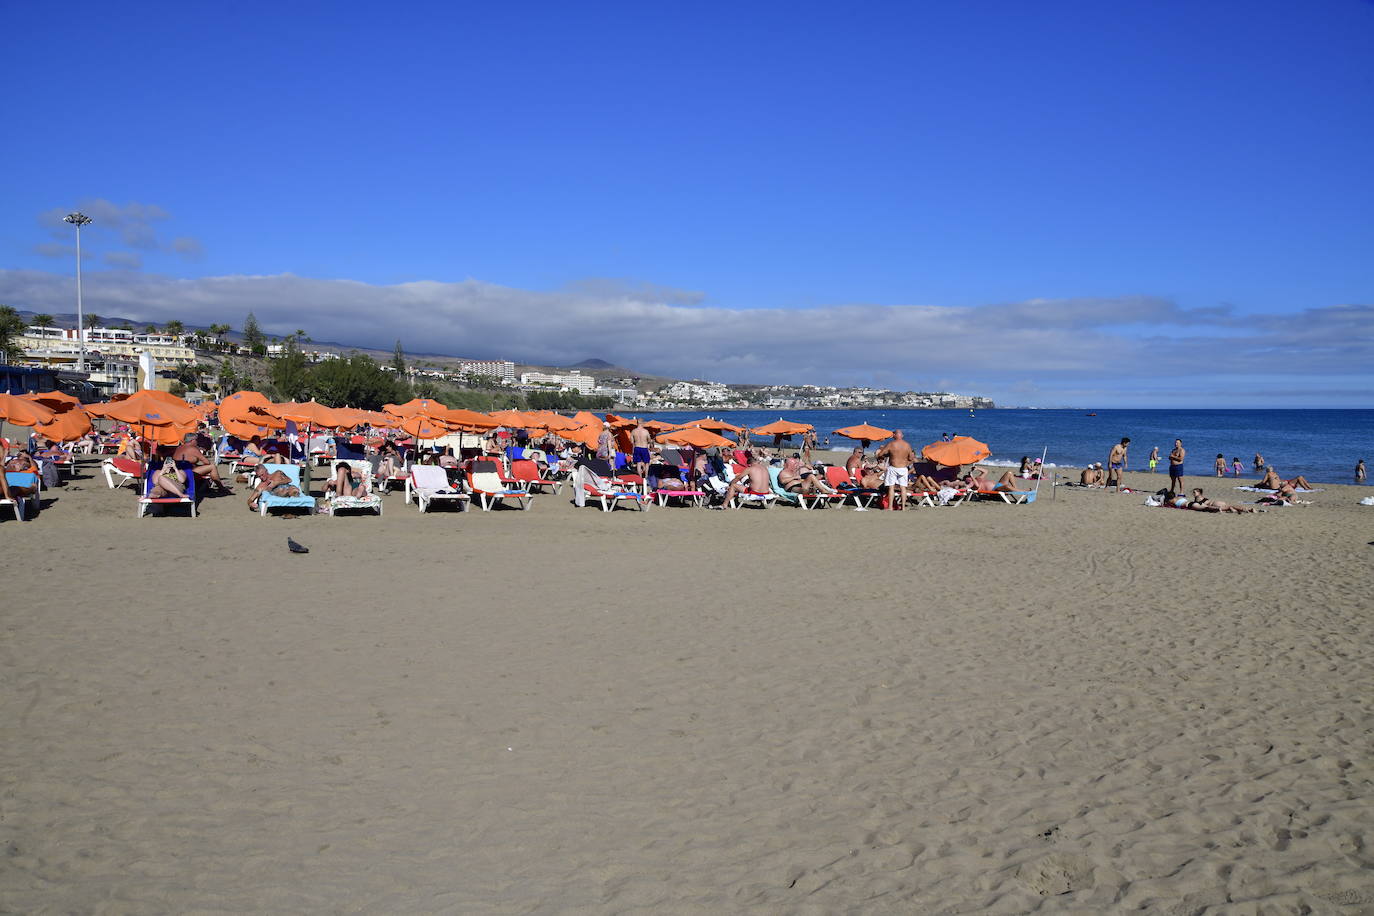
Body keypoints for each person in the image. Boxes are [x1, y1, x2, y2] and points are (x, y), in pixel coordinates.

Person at [874, 430, 914, 510]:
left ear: (895, 435)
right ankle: (903, 507)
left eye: (893, 434)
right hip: (903, 468)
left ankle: (890, 507)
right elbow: (911, 458)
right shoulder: (907, 445)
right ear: (902, 435)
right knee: (903, 488)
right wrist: (904, 460)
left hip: (893, 467)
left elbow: (880, 454)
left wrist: (889, 454)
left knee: (891, 487)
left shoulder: (891, 444)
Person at [1186, 488, 1256, 514]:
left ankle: (1248, 509)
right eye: (1193, 492)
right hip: (1217, 502)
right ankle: (1247, 510)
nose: (1193, 493)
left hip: (1215, 504)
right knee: (1230, 507)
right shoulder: (1200, 498)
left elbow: (1202, 505)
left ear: (1199, 493)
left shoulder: (1199, 498)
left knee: (1230, 506)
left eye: (1194, 492)